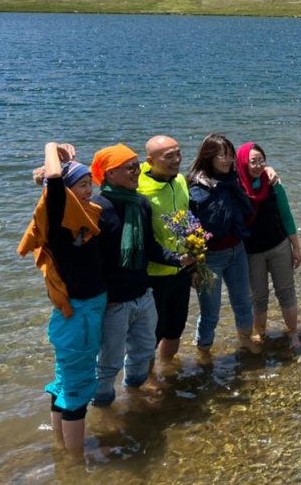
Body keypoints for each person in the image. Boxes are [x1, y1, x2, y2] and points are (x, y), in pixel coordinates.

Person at [18, 143, 105, 457]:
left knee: (65, 381)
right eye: (82, 185)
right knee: (78, 388)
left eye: (90, 184)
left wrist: (71, 162)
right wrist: (50, 147)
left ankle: (60, 447)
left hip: (77, 316)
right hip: (80, 316)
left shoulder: (78, 220)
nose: (89, 191)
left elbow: (61, 177)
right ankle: (75, 460)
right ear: (65, 193)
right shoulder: (59, 219)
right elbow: (55, 179)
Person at [90, 144, 187, 406]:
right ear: (110, 174)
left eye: (137, 166)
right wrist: (104, 298)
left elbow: (150, 247)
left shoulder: (140, 203)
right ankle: (104, 409)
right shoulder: (96, 209)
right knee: (108, 362)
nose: (137, 172)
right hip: (114, 302)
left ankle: (134, 396)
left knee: (143, 353)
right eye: (130, 168)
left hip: (143, 294)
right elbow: (90, 262)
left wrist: (177, 259)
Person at [188, 133, 256, 357]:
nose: (227, 160)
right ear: (209, 157)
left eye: (230, 155)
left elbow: (258, 171)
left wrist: (270, 172)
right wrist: (194, 267)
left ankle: (246, 343)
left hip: (237, 250)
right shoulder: (194, 185)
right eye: (221, 156)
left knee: (243, 303)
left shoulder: (233, 179)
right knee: (210, 313)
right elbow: (188, 228)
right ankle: (204, 353)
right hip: (210, 258)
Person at [235, 142, 301, 349]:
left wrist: (296, 248)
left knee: (286, 291)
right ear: (242, 163)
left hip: (279, 246)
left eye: (261, 161)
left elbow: (286, 216)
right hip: (251, 252)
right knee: (258, 297)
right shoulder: (236, 188)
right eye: (252, 161)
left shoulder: (273, 184)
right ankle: (261, 334)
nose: (257, 166)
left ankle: (293, 333)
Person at [138, 135, 192, 364]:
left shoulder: (180, 180)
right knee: (151, 333)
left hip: (181, 271)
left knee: (175, 327)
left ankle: (167, 369)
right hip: (153, 275)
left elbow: (188, 221)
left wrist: (194, 262)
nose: (177, 160)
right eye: (169, 156)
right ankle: (146, 378)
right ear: (150, 161)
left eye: (178, 153)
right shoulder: (138, 187)